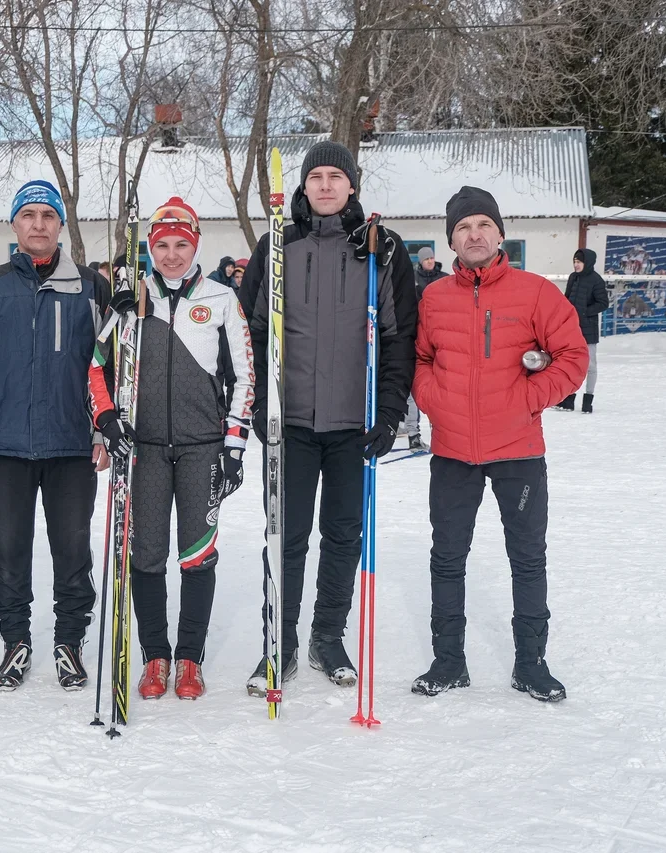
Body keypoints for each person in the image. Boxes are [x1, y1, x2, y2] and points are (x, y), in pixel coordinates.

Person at [239, 140, 418, 695]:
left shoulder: (379, 249)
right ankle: (281, 643)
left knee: (343, 536)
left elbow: (399, 338)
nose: (324, 185)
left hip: (352, 424)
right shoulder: (277, 245)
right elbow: (251, 335)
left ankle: (327, 636)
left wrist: (389, 413)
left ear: (351, 185)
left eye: (334, 177)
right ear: (302, 185)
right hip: (288, 423)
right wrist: (257, 409)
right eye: (314, 175)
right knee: (285, 537)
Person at [411, 186, 587, 703]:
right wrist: (433, 400)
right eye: (463, 228)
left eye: (482, 225)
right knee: (447, 557)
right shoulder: (434, 297)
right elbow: (421, 360)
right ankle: (449, 662)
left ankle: (530, 664)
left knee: (527, 557)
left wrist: (528, 400)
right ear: (451, 241)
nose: (474, 234)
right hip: (452, 452)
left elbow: (572, 356)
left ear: (499, 234)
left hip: (519, 450)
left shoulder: (535, 292)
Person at [0, 179, 112, 692]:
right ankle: (15, 639)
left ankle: (69, 641)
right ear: (15, 224)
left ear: (60, 225)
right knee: (10, 547)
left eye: (48, 215)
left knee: (72, 547)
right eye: (29, 215)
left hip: (73, 445)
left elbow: (114, 366)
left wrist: (106, 428)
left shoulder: (90, 288)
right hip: (7, 448)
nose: (38, 224)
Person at [87, 197, 254, 701]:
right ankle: (155, 656)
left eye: (182, 244)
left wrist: (233, 446)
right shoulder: (131, 301)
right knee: (147, 556)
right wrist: (106, 415)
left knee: (197, 556)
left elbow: (245, 377)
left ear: (196, 244)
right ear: (150, 249)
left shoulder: (222, 299)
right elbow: (95, 365)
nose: (172, 255)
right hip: (146, 449)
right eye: (162, 245)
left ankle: (189, 660)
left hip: (204, 447)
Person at [405, 247, 448, 449]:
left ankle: (442, 434)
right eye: (426, 259)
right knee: (415, 389)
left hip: (441, 338)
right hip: (417, 336)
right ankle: (413, 434)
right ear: (420, 261)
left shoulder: (445, 279)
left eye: (432, 258)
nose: (430, 261)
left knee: (441, 390)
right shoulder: (412, 280)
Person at [557, 248, 609, 414]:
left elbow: (603, 303)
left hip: (588, 328)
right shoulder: (573, 277)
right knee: (572, 363)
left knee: (590, 365)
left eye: (579, 262)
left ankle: (588, 400)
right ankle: (568, 400)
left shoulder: (596, 280)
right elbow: (567, 299)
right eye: (574, 261)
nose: (576, 265)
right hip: (571, 328)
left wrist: (585, 312)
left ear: (587, 263)